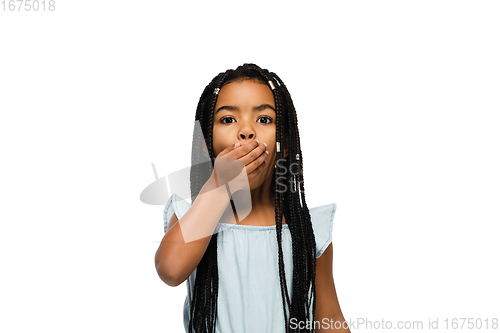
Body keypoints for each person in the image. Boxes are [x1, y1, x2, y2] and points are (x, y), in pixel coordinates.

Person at [155, 63, 350, 333]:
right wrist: (220, 186)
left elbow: (330, 319)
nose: (246, 132)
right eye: (228, 119)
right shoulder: (193, 219)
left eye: (264, 119)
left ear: (284, 141)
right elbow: (170, 270)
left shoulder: (309, 230)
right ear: (206, 143)